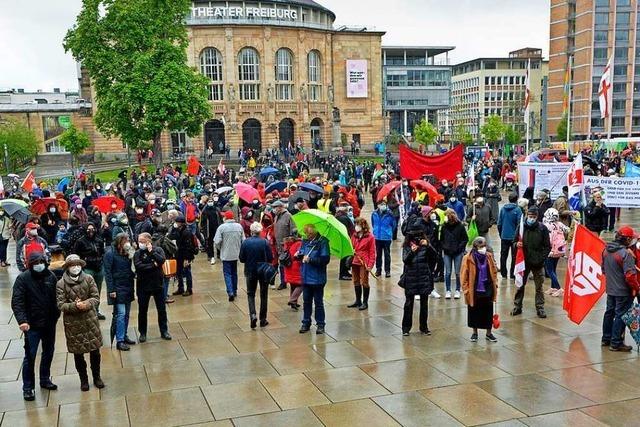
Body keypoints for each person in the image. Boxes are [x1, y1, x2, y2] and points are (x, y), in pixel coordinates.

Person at [11, 252, 60, 401]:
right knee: (30, 356)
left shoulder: (50, 276)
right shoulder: (23, 279)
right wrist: (22, 321)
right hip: (32, 325)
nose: (39, 265)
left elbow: (56, 297)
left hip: (49, 323)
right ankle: (28, 387)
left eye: (41, 262)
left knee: (48, 352)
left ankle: (44, 379)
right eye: (36, 263)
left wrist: (56, 314)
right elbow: (17, 302)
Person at [56, 255, 104, 391]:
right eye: (72, 265)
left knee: (95, 351)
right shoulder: (61, 284)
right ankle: (83, 379)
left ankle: (97, 377)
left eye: (78, 265)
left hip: (90, 320)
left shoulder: (89, 278)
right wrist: (74, 306)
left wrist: (87, 304)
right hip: (73, 324)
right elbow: (60, 304)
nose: (76, 267)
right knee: (78, 353)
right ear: (67, 267)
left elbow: (95, 297)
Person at [602, 226, 638, 352]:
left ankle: (606, 339)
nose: (633, 240)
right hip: (623, 291)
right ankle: (616, 342)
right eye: (631, 238)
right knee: (620, 315)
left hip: (611, 289)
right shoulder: (626, 254)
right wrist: (637, 288)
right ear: (627, 239)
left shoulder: (605, 250)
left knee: (609, 313)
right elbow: (630, 276)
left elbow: (603, 270)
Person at [512, 207, 551, 319]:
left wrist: (541, 258)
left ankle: (540, 307)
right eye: (530, 217)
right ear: (527, 216)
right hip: (523, 262)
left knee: (539, 287)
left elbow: (547, 246)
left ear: (537, 217)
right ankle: (517, 306)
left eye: (534, 217)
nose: (531, 219)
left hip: (537, 262)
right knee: (520, 285)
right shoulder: (521, 227)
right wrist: (516, 245)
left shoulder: (542, 228)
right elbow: (514, 242)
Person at [134, 232, 171, 342]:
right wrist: (153, 265)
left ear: (149, 241)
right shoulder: (137, 253)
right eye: (139, 241)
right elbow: (139, 266)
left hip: (157, 284)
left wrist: (152, 252)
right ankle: (143, 332)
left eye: (142, 241)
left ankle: (164, 331)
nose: (140, 243)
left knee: (162, 310)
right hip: (143, 285)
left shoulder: (158, 250)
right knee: (142, 310)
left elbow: (161, 261)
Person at [400, 224, 436, 336]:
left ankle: (424, 327)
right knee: (409, 304)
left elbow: (435, 257)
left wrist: (428, 246)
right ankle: (406, 328)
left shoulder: (425, 244)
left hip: (423, 277)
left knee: (424, 304)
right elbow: (405, 260)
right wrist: (412, 251)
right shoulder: (407, 246)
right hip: (411, 277)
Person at [461, 237, 499, 343]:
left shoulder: (489, 256)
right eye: (480, 246)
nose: (483, 248)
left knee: (488, 310)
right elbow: (463, 275)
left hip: (487, 287)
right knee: (474, 311)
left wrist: (495, 283)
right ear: (475, 247)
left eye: (484, 246)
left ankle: (489, 333)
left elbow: (494, 270)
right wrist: (466, 290)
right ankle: (475, 333)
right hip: (474, 289)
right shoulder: (468, 258)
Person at [103, 233, 136, 351]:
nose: (128, 242)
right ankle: (120, 340)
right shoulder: (110, 254)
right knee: (121, 314)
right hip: (117, 287)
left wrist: (132, 255)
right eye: (125, 240)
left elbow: (133, 268)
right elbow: (107, 273)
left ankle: (124, 334)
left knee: (126, 314)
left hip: (128, 285)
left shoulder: (128, 252)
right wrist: (111, 290)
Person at [239, 222, 273, 329]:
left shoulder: (245, 242)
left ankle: (253, 315)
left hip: (250, 270)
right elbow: (270, 257)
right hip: (263, 271)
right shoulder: (265, 242)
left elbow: (242, 258)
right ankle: (263, 319)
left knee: (250, 294)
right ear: (260, 231)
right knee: (264, 294)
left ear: (251, 231)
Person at [298, 224, 331, 335]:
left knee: (318, 302)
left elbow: (324, 260)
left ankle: (320, 324)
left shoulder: (323, 242)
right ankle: (306, 322)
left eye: (310, 234)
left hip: (317, 278)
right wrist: (299, 255)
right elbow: (302, 252)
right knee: (306, 301)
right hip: (306, 277)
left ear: (315, 233)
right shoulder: (305, 241)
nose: (308, 236)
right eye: (307, 234)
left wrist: (310, 260)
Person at [74, 223, 106, 319]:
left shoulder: (99, 240)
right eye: (88, 229)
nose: (91, 231)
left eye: (92, 229)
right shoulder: (80, 242)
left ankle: (96, 309)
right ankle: (88, 310)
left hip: (99, 267)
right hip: (87, 268)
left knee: (97, 290)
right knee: (87, 290)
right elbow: (76, 255)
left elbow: (102, 252)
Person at [214, 211, 245, 301]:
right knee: (234, 273)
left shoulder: (221, 228)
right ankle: (234, 290)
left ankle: (230, 291)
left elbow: (217, 242)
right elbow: (243, 240)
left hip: (226, 254)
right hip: (236, 254)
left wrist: (221, 249)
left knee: (227, 273)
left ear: (225, 218)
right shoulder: (239, 226)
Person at [348, 217, 376, 310]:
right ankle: (358, 300)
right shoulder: (354, 235)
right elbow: (351, 246)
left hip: (364, 262)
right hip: (355, 261)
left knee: (364, 281)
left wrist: (370, 265)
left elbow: (372, 252)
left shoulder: (370, 237)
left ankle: (365, 302)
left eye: (358, 224)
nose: (356, 226)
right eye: (355, 224)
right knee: (356, 280)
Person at [441, 208, 468, 299]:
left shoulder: (460, 226)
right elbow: (441, 239)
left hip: (458, 253)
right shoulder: (444, 226)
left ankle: (457, 289)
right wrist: (444, 247)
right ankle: (448, 290)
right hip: (447, 252)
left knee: (457, 272)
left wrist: (459, 248)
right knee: (447, 272)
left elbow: (465, 239)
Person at [543, 208, 569, 297]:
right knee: (553, 269)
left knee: (549, 270)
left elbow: (547, 239)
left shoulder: (547, 225)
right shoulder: (560, 224)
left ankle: (559, 288)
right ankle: (553, 287)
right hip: (559, 250)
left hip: (550, 251)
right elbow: (567, 230)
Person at [169, 215, 196, 297]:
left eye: (177, 222)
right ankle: (180, 288)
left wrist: (187, 259)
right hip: (179, 254)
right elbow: (171, 236)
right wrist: (173, 229)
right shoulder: (178, 230)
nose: (175, 223)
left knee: (187, 272)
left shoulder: (186, 232)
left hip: (185, 255)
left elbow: (188, 246)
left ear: (181, 223)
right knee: (178, 272)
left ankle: (189, 289)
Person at [273, 200, 297, 290]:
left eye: (275, 207)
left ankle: (285, 281)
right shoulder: (277, 217)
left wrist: (289, 242)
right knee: (281, 264)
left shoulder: (288, 216)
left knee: (285, 264)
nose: (274, 209)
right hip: (278, 245)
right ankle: (283, 281)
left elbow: (294, 231)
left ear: (280, 207)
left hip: (286, 245)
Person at [497, 193, 522, 279]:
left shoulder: (503, 209)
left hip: (504, 236)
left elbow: (499, 223)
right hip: (514, 238)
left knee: (503, 255)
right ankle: (512, 274)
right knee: (514, 256)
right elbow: (519, 224)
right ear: (516, 199)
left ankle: (504, 273)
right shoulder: (518, 210)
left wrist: (501, 234)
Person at [371, 201, 396, 278]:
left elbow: (394, 225)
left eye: (384, 204)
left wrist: (389, 232)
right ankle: (378, 270)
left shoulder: (390, 214)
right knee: (378, 255)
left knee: (387, 255)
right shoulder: (374, 214)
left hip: (386, 237)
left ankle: (387, 271)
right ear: (378, 205)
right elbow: (373, 224)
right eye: (381, 204)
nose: (382, 206)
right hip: (377, 237)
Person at [283, 236, 303, 310]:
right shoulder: (299, 243)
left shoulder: (287, 243)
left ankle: (294, 303)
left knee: (293, 285)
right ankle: (292, 300)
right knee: (301, 284)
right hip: (296, 266)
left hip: (288, 266)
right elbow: (300, 254)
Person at [201, 196, 221, 265]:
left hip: (217, 228)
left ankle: (219, 254)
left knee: (218, 241)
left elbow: (220, 219)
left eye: (211, 201)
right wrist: (203, 230)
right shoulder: (204, 211)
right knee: (209, 243)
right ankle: (211, 256)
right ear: (207, 202)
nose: (210, 202)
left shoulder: (216, 209)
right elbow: (202, 222)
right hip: (208, 230)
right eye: (209, 201)